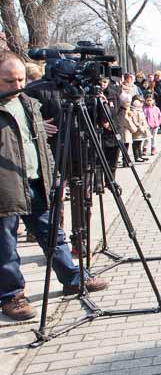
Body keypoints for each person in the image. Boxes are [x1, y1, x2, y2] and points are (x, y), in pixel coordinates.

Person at [0, 51, 108, 321]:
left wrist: (53, 175)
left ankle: (72, 278)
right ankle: (12, 295)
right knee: (5, 244)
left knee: (52, 234)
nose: (17, 86)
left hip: (36, 181)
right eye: (9, 81)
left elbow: (41, 145)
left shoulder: (28, 103)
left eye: (21, 80)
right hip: (5, 188)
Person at [128, 96, 150, 162]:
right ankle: (137, 157)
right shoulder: (134, 110)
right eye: (141, 102)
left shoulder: (140, 110)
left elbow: (143, 119)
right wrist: (139, 126)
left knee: (139, 142)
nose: (142, 104)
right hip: (137, 130)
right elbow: (135, 120)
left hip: (142, 128)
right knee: (136, 143)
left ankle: (140, 156)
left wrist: (146, 126)